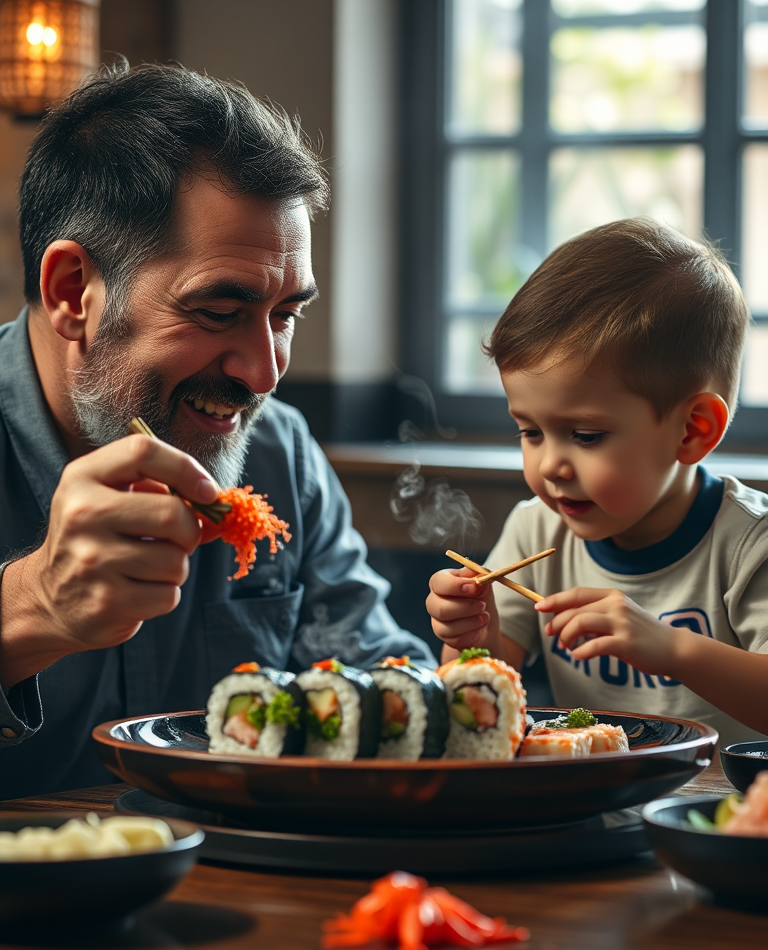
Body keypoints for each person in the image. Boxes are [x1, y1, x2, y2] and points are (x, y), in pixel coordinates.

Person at [0, 62, 433, 799]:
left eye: (286, 315)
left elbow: (384, 681)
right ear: (73, 292)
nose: (265, 374)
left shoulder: (279, 455)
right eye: (219, 311)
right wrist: (30, 609)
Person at [428, 217, 768, 747]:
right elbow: (474, 709)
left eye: (585, 435)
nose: (550, 466)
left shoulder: (750, 545)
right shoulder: (537, 531)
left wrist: (670, 648)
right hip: (581, 810)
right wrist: (470, 639)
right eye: (530, 431)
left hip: (721, 819)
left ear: (692, 430)